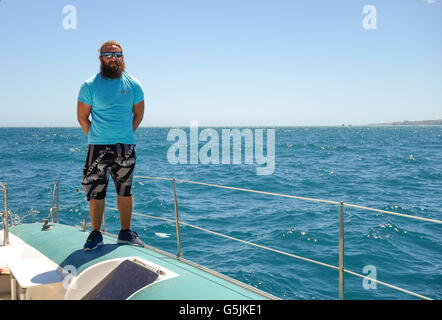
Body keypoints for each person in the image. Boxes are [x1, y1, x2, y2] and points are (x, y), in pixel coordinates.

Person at [77, 40, 145, 251]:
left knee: (125, 190)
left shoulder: (133, 84)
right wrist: (99, 137)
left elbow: (139, 114)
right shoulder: (89, 85)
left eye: (117, 55)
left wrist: (125, 135)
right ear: (101, 58)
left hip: (125, 146)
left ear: (122, 58)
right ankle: (96, 234)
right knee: (96, 191)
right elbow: (82, 118)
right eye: (108, 54)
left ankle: (125, 233)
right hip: (97, 146)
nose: (113, 58)